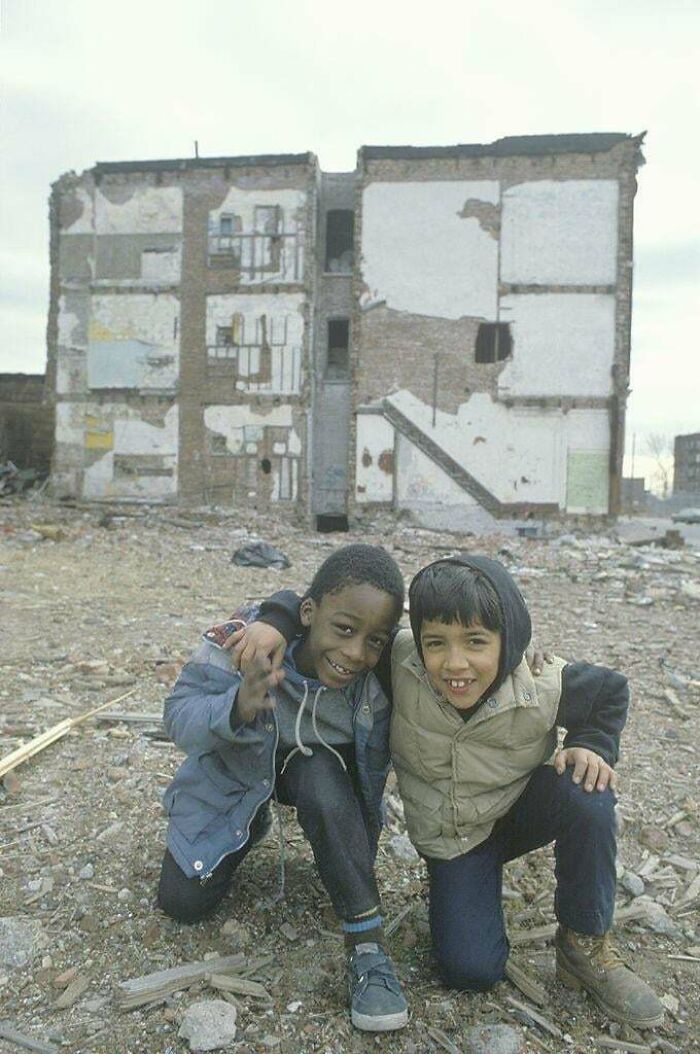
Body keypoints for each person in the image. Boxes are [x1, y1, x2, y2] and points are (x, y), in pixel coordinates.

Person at [240, 554, 664, 1031]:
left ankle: (585, 945)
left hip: (522, 811)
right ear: (418, 642)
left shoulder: (542, 682)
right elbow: (330, 613)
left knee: (588, 789)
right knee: (472, 970)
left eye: (477, 642)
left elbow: (610, 693)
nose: (454, 663)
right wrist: (275, 619)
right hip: (457, 841)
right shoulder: (398, 662)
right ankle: (475, 897)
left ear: (510, 641)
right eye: (436, 643)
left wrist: (592, 745)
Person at [156, 543, 409, 1033]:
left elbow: (454, 646)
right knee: (181, 904)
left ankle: (368, 947)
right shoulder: (243, 643)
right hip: (237, 779)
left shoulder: (382, 672)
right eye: (343, 630)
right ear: (308, 614)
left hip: (322, 782)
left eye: (373, 640)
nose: (356, 653)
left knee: (318, 774)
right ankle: (249, 826)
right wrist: (236, 707)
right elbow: (177, 717)